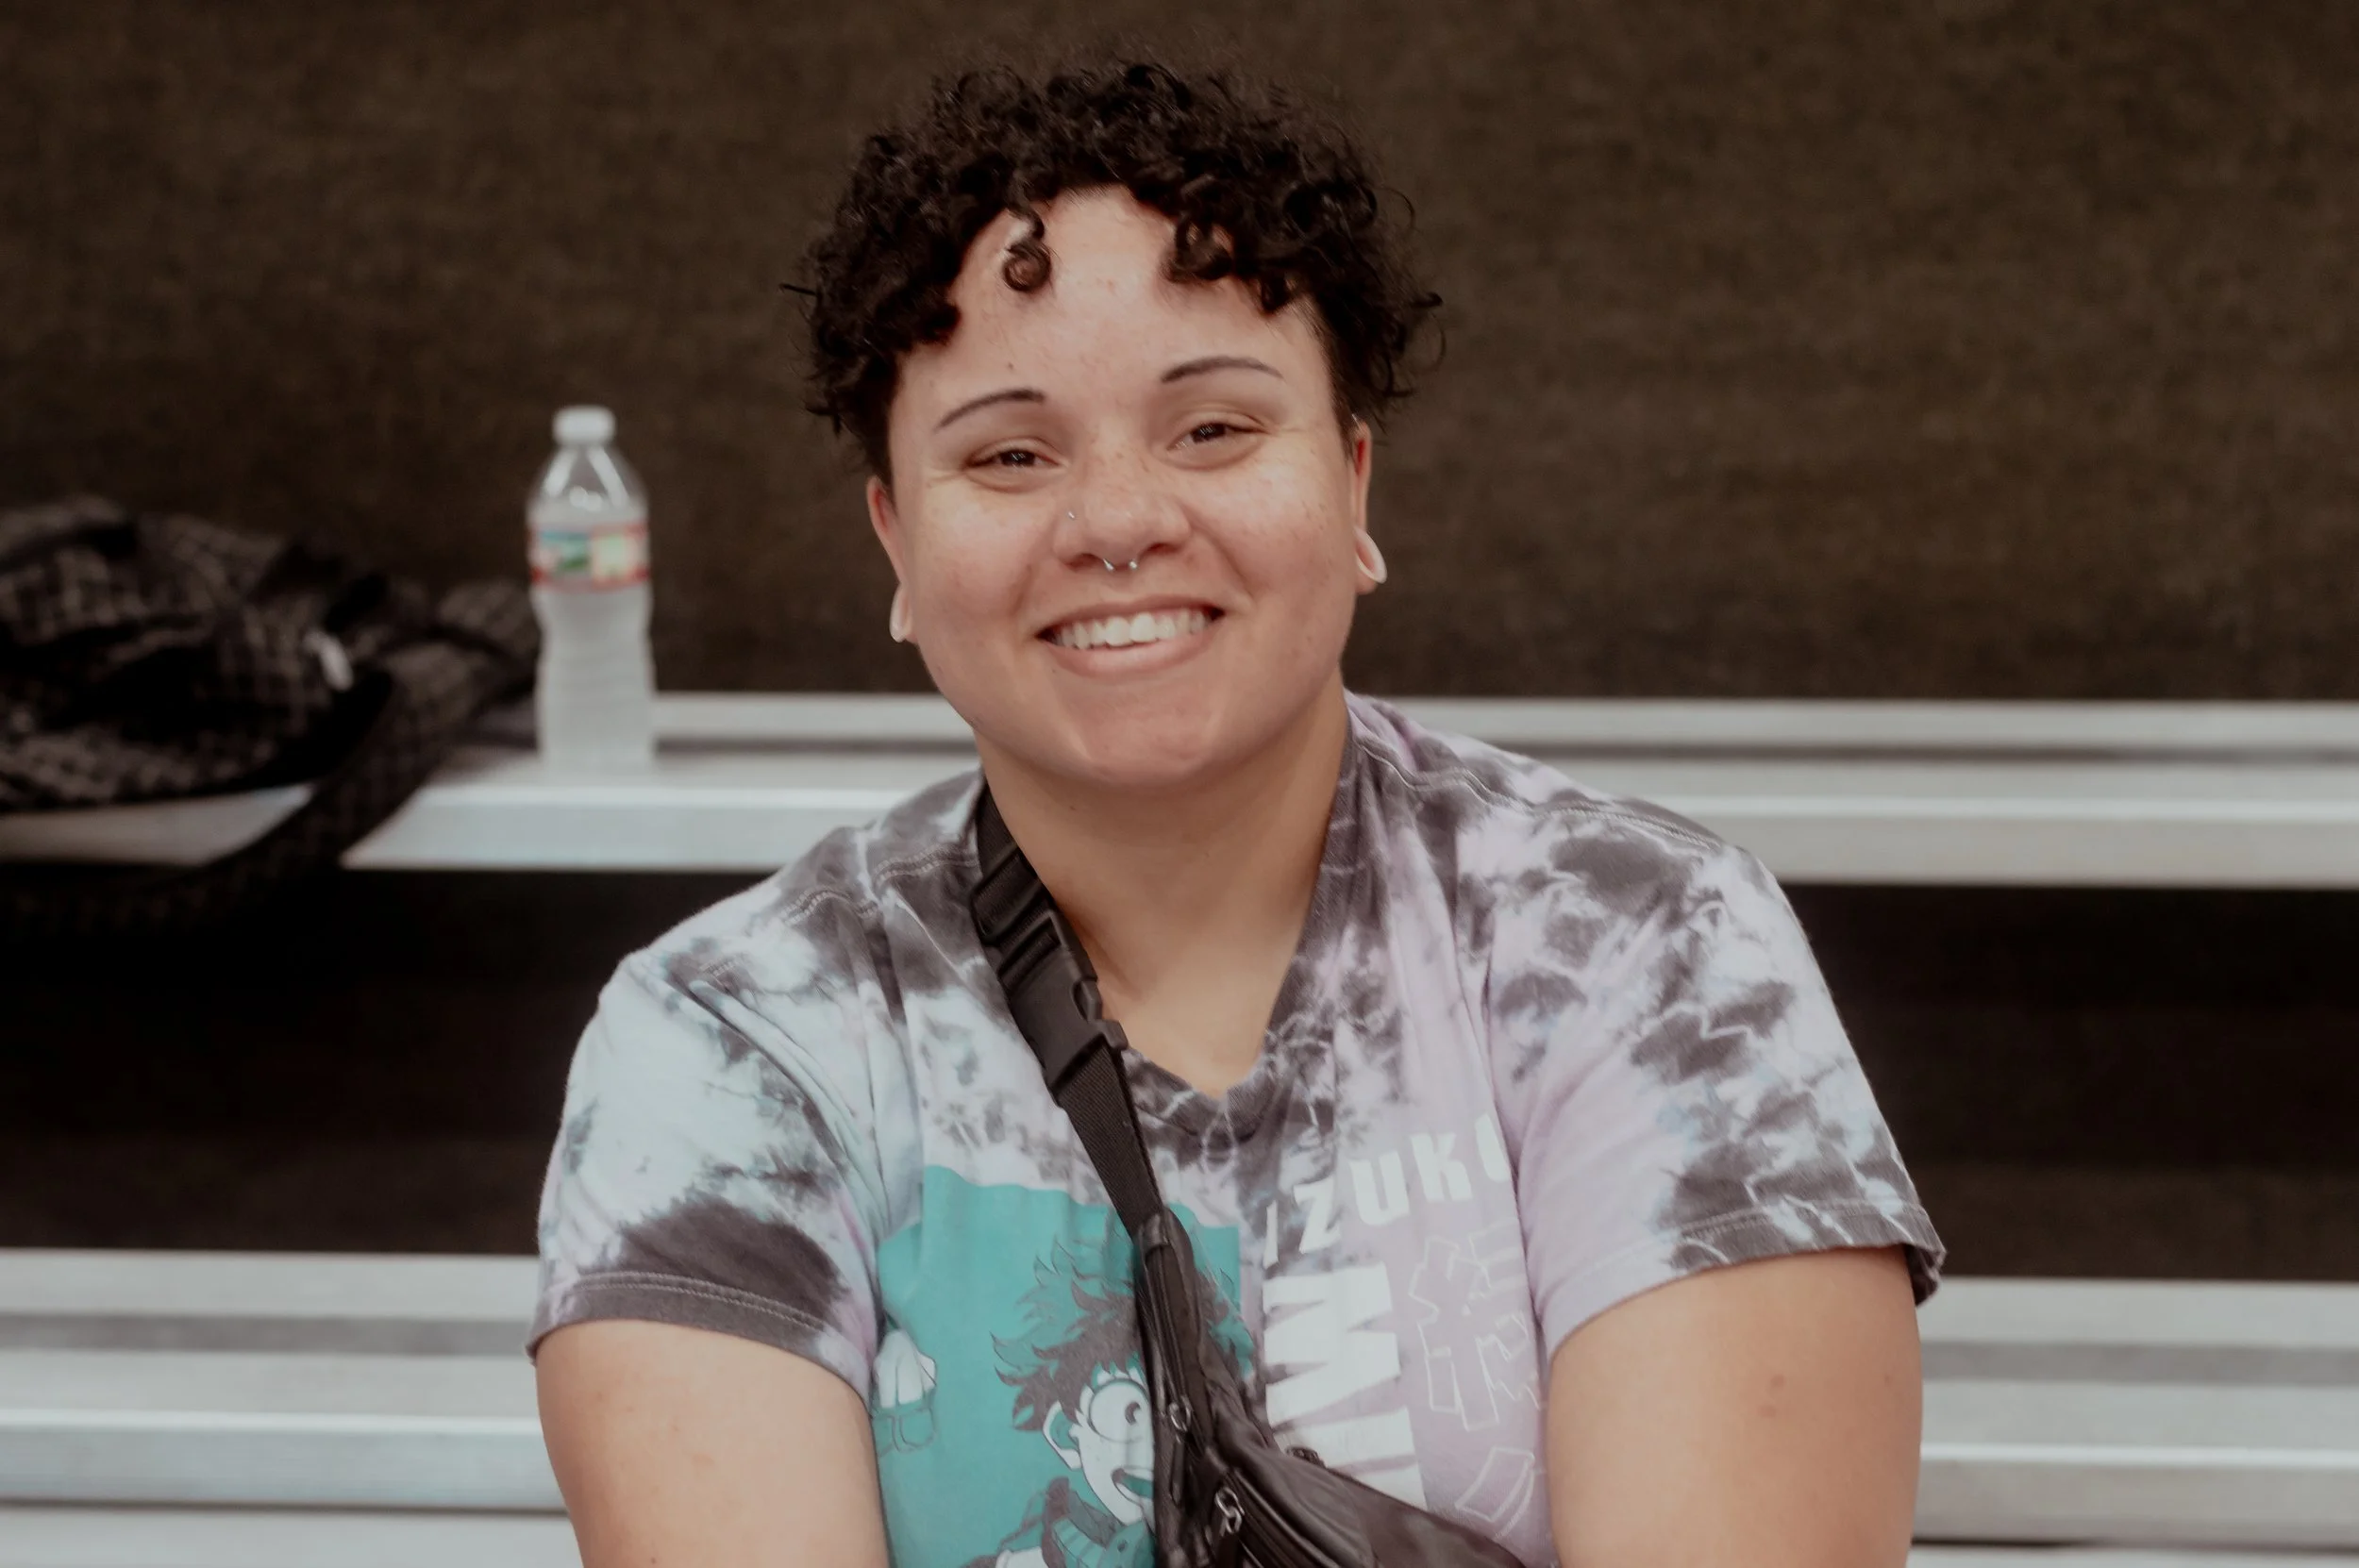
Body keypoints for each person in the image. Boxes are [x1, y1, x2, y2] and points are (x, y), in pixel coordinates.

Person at [530, 59, 1943, 1568]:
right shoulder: (734, 1039)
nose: (1120, 519)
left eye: (1212, 430)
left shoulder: (1641, 944)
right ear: (896, 529)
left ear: (1351, 480)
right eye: (1010, 453)